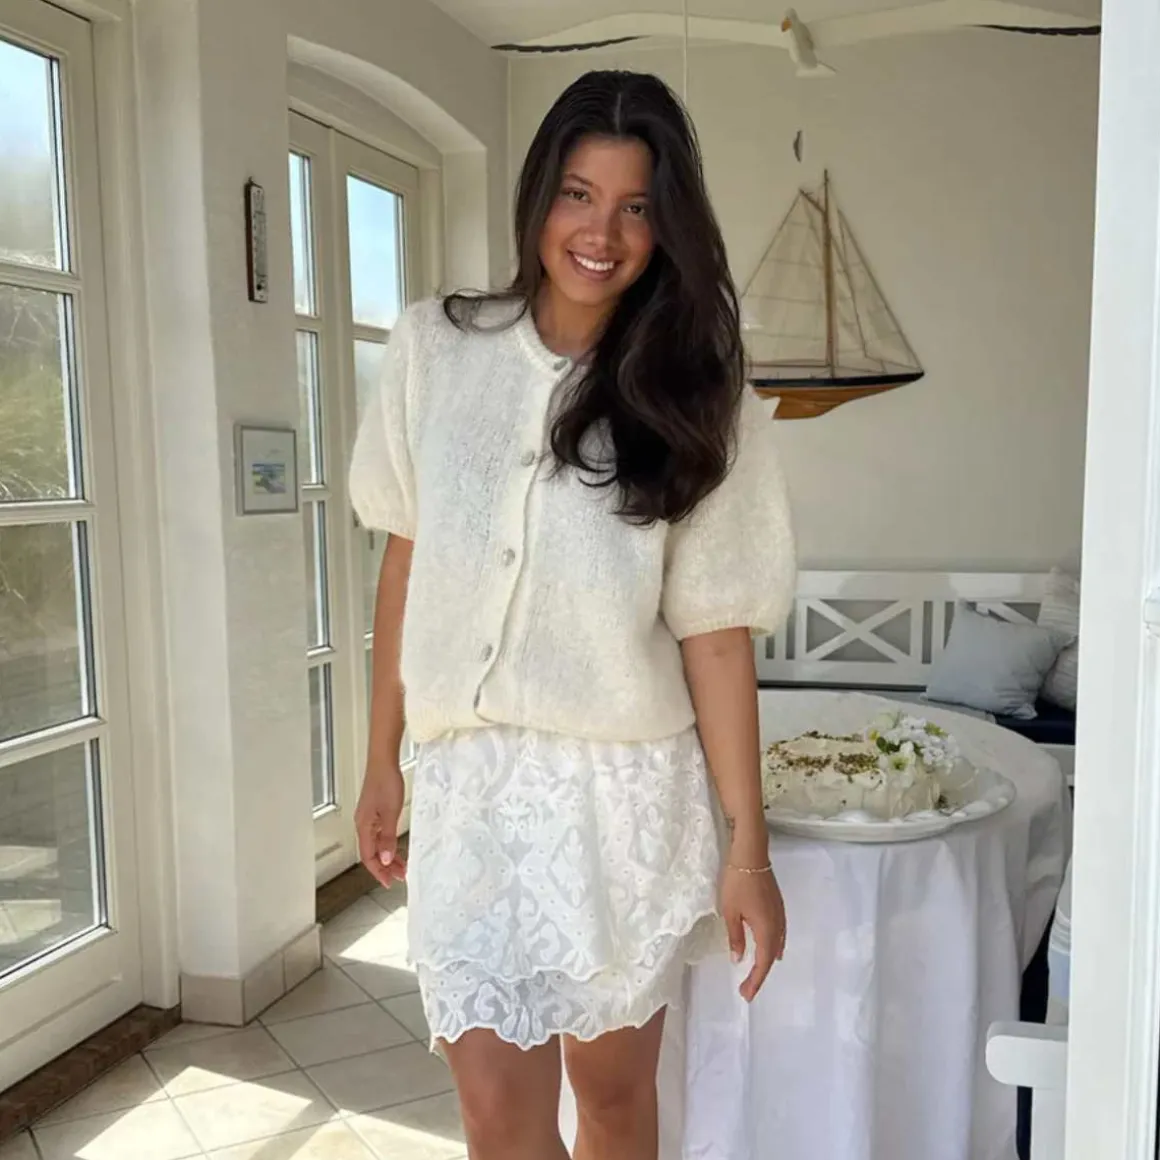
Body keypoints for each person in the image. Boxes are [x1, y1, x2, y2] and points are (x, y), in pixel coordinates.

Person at [349, 69, 796, 1160]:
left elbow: (716, 632)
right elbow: (407, 561)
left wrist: (746, 845)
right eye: (577, 194)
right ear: (537, 198)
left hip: (619, 795)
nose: (602, 233)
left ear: (666, 223)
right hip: (469, 787)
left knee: (610, 1102)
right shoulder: (435, 347)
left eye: (635, 205)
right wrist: (379, 758)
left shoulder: (699, 395)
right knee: (495, 1118)